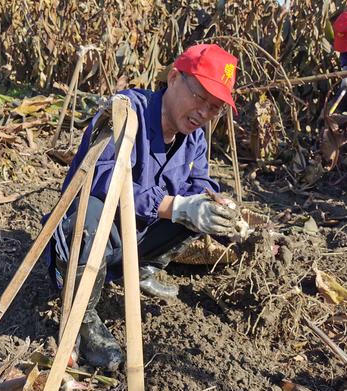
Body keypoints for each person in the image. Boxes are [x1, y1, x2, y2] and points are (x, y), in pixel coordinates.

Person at [48, 44, 243, 371]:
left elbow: (202, 180)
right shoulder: (124, 112)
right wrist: (174, 206)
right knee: (91, 214)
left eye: (215, 108)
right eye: (200, 98)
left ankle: (141, 269)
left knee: (197, 211)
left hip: (136, 238)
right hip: (95, 236)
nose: (204, 113)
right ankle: (81, 318)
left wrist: (213, 202)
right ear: (174, 77)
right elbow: (102, 179)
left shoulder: (193, 137)